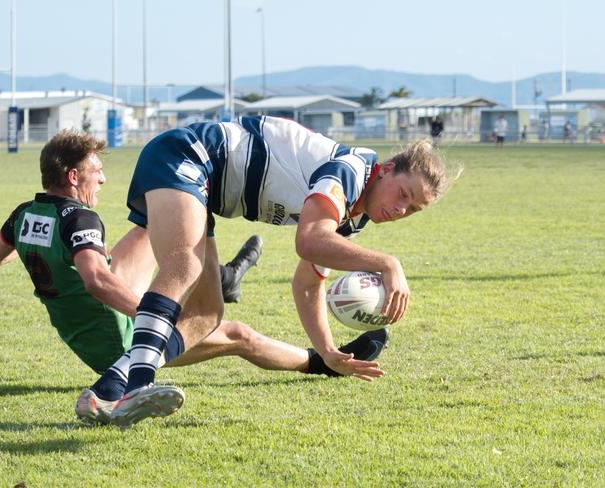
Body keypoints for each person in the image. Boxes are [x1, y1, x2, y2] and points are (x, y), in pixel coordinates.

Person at [0, 130, 389, 425]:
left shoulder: (22, 215)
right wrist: (155, 317)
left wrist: (43, 260)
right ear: (73, 177)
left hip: (82, 327)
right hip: (120, 337)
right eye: (97, 171)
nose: (103, 179)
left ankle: (224, 278)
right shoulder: (80, 217)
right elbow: (97, 282)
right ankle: (318, 362)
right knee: (235, 332)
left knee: (163, 223)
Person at [101, 115, 450, 427]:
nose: (402, 208)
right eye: (404, 193)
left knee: (206, 313)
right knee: (184, 266)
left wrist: (328, 352)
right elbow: (310, 240)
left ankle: (106, 391)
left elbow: (308, 283)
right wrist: (388, 263)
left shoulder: (352, 217)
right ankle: (137, 388)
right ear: (387, 170)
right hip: (189, 154)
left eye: (413, 208)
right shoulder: (351, 170)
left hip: (202, 184)